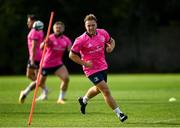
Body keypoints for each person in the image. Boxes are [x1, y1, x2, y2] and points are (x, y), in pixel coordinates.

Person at [69, 14, 128, 122]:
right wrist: (85, 63)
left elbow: (112, 41)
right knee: (105, 90)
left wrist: (111, 48)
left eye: (93, 25)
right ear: (85, 26)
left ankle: (84, 100)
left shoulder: (103, 33)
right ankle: (120, 114)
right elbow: (71, 55)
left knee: (98, 89)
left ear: (96, 24)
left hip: (102, 66)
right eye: (88, 26)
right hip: (90, 70)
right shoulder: (80, 40)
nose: (91, 27)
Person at [37, 21, 72, 104]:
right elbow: (41, 47)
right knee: (39, 83)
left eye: (60, 28)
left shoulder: (66, 39)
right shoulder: (50, 38)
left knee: (66, 79)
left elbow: (71, 50)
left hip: (58, 64)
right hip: (46, 64)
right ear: (53, 29)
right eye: (56, 28)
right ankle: (45, 92)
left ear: (63, 29)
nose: (58, 29)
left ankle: (60, 98)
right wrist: (45, 43)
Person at [19, 14, 48, 104]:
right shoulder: (38, 31)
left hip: (35, 57)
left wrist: (31, 59)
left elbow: (34, 47)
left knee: (37, 78)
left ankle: (42, 90)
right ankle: (44, 89)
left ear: (33, 21)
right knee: (30, 75)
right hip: (36, 56)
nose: (27, 22)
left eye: (29, 21)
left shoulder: (34, 32)